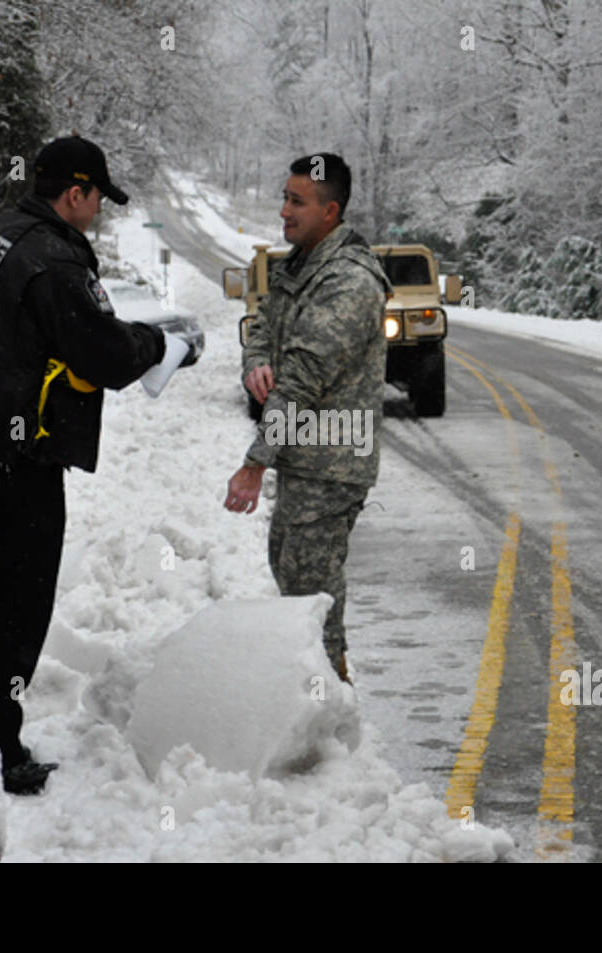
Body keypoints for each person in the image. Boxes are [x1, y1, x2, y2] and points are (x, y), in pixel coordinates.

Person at [0, 136, 167, 794]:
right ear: (74, 192)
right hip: (19, 453)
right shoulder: (54, 260)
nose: (98, 211)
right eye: (96, 198)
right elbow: (107, 355)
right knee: (18, 598)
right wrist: (157, 342)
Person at [223, 153, 391, 683]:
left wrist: (255, 464)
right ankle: (313, 698)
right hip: (306, 460)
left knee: (312, 596)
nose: (284, 212)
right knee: (293, 578)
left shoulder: (348, 282)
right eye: (284, 198)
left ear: (331, 210)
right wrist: (255, 363)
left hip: (334, 464)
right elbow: (263, 327)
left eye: (297, 202)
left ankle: (330, 705)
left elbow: (300, 384)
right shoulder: (298, 264)